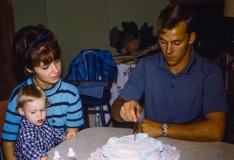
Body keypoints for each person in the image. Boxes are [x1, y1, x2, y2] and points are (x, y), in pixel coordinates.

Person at [111, 4, 228, 142]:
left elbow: (216, 130)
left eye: (176, 43)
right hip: (156, 147)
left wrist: (162, 129)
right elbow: (115, 109)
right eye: (163, 41)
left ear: (191, 38)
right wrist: (124, 111)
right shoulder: (145, 67)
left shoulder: (209, 73)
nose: (168, 50)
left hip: (195, 146)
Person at [1, 25, 84, 160]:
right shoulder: (18, 96)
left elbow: (70, 143)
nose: (56, 70)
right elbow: (8, 143)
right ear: (29, 69)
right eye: (45, 67)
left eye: (57, 61)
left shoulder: (71, 94)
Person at [14, 84, 76, 160]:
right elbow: (28, 146)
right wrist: (40, 157)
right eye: (33, 112)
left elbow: (52, 132)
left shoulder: (42, 122)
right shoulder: (26, 130)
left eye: (42, 110)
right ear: (22, 111)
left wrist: (63, 137)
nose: (39, 115)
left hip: (48, 155)